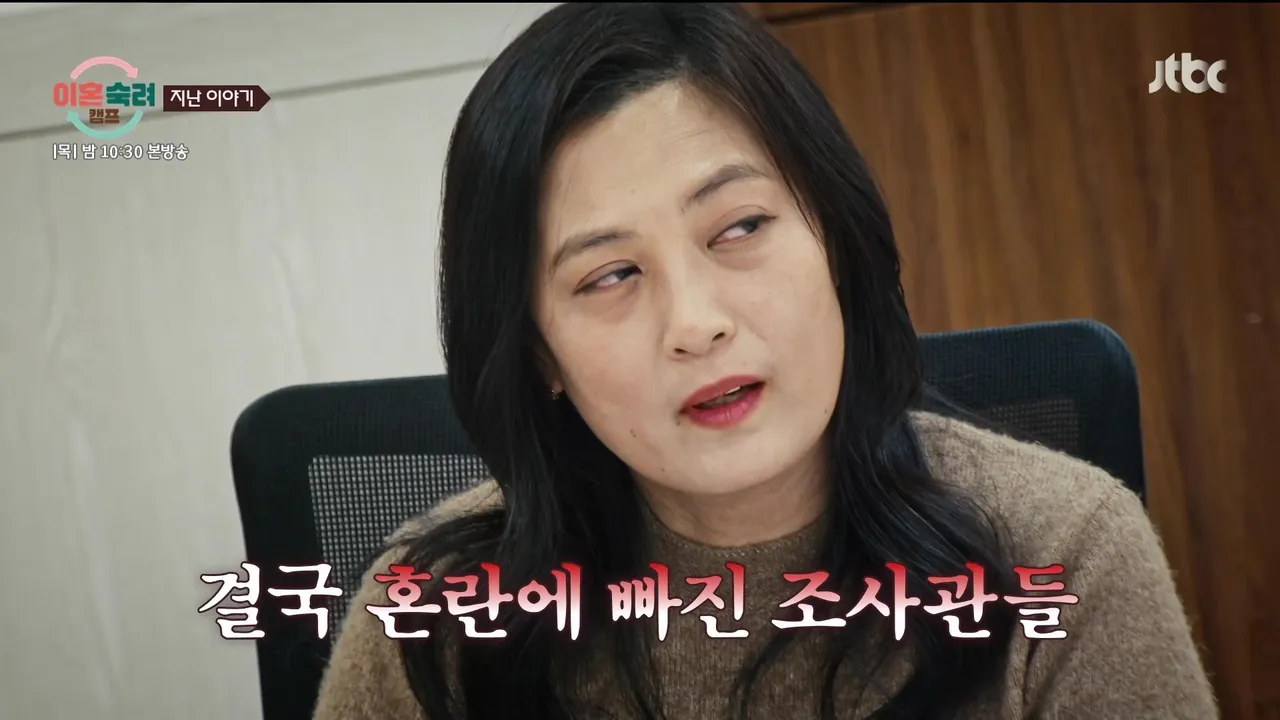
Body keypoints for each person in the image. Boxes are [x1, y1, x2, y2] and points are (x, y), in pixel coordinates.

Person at [313, 4, 1217, 719]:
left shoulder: (1065, 553)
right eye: (610, 275)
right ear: (538, 352)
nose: (696, 324)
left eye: (740, 227)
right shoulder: (431, 616)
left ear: (836, 240)